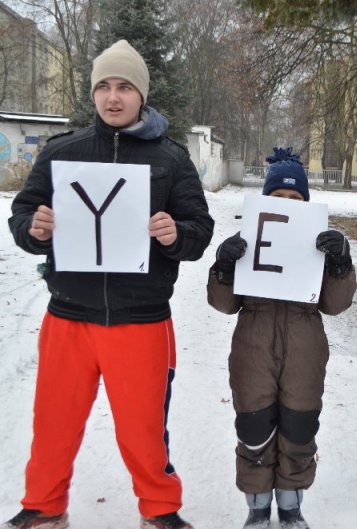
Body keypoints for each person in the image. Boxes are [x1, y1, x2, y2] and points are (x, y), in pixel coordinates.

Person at [5, 40, 213, 529]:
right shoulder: (63, 151)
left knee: (143, 430)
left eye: (124, 87)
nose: (113, 97)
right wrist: (33, 229)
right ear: (93, 93)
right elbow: (22, 213)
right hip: (68, 316)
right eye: (103, 86)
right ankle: (43, 506)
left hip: (140, 320)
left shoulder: (172, 158)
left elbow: (199, 230)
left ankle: (160, 510)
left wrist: (175, 234)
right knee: (54, 423)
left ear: (141, 94)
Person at [207, 147, 357, 529]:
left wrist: (340, 264)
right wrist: (224, 268)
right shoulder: (249, 239)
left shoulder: (318, 244)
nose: (288, 204)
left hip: (305, 344)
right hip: (252, 345)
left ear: (306, 203)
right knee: (254, 425)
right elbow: (224, 305)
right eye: (279, 198)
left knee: (299, 425)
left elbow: (335, 305)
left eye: (296, 199)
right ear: (266, 199)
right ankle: (257, 506)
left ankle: (291, 505)